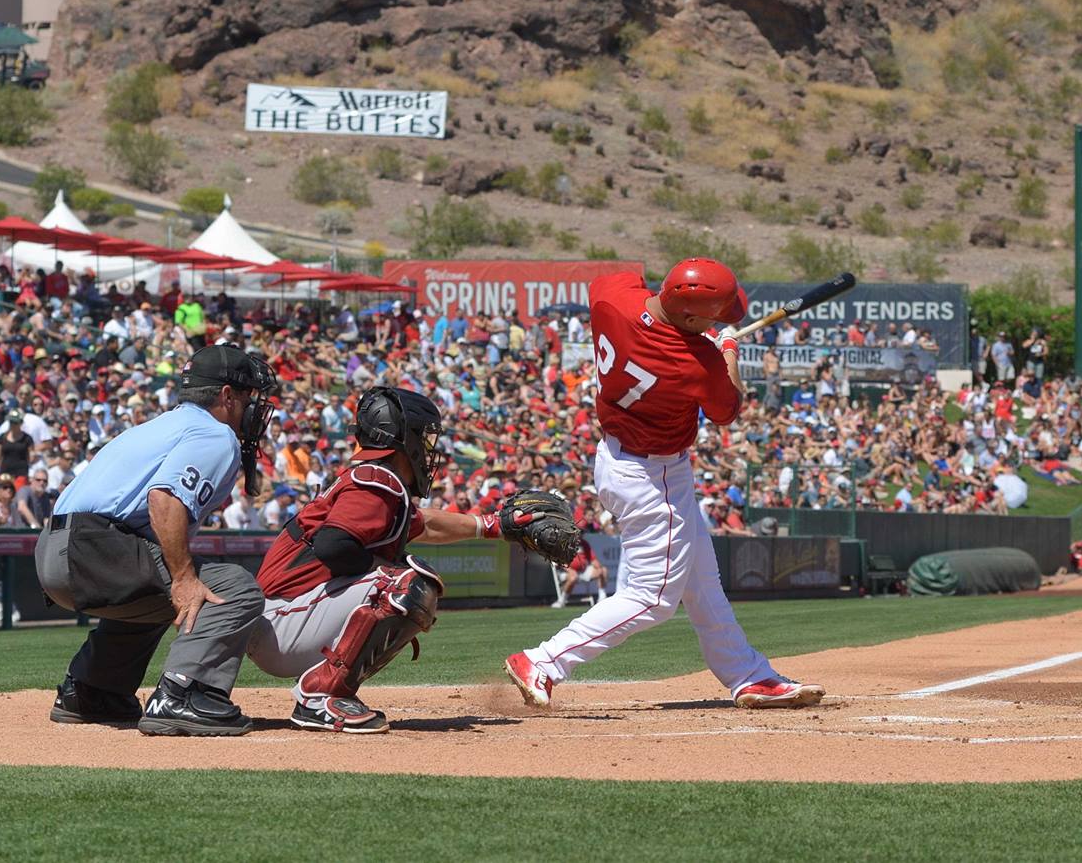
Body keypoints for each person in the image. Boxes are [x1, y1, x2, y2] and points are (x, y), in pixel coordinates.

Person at [504, 258, 823, 711]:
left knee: (701, 582)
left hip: (621, 456)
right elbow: (728, 409)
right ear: (691, 317)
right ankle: (544, 660)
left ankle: (749, 675)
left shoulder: (612, 298)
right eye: (712, 316)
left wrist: (705, 338)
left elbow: (621, 283)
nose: (719, 322)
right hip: (651, 476)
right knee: (653, 598)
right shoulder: (698, 363)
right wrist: (727, 348)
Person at [248, 386, 545, 733]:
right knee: (407, 582)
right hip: (282, 621)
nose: (429, 448)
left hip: (280, 621)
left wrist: (494, 526)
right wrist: (382, 569)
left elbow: (427, 523)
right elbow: (333, 546)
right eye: (424, 437)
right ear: (403, 437)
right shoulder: (377, 480)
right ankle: (321, 695)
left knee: (400, 575)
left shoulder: (377, 483)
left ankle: (325, 691)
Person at [32, 345, 274, 736]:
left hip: (54, 550)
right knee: (232, 588)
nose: (253, 408)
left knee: (155, 595)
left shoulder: (162, 425)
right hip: (92, 547)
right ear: (227, 396)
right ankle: (184, 694)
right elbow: (165, 498)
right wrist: (183, 577)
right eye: (248, 397)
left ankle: (94, 691)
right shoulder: (214, 433)